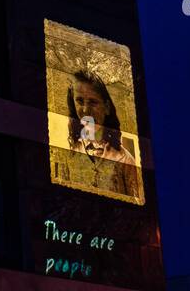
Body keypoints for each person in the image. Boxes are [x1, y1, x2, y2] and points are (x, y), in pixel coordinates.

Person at [53, 69, 142, 201]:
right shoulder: (68, 154)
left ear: (106, 107)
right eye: (80, 101)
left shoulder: (125, 161)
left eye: (93, 102)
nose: (85, 110)